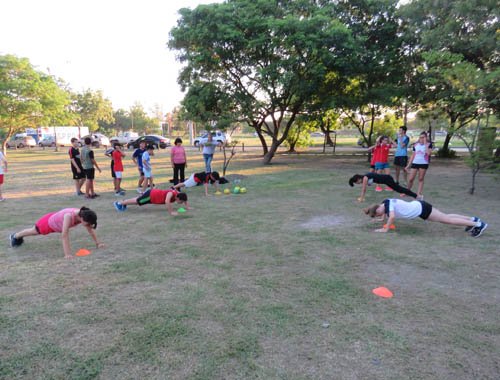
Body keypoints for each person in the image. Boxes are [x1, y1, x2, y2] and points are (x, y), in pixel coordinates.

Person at [9, 207, 104, 258]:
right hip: (48, 224)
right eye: (88, 223)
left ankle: (16, 236)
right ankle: (15, 236)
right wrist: (67, 254)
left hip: (56, 223)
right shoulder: (69, 216)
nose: (88, 225)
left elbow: (90, 229)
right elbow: (64, 235)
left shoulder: (84, 215)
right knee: (33, 231)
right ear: (82, 218)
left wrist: (98, 243)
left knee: (33, 231)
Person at [363, 198, 488, 237]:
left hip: (421, 209)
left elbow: (392, 217)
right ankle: (472, 220)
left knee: (447, 220)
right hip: (420, 208)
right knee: (445, 216)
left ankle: (479, 225)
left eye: (379, 214)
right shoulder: (385, 202)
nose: (381, 215)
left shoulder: (389, 205)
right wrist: (380, 220)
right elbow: (387, 214)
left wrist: (386, 229)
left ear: (378, 209)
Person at [114, 188, 191, 216]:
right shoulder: (172, 194)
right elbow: (167, 201)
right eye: (181, 202)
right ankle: (119, 203)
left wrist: (187, 207)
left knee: (138, 200)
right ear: (178, 198)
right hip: (152, 195)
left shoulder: (178, 194)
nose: (181, 203)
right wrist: (171, 211)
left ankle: (124, 202)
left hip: (153, 195)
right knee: (138, 201)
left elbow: (185, 198)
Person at [349, 173, 418, 202]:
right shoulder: (366, 177)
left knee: (400, 189)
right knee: (400, 190)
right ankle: (416, 195)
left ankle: (416, 196)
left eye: (357, 182)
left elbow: (364, 190)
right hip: (386, 180)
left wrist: (361, 199)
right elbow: (373, 179)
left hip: (387, 179)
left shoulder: (365, 178)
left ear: (358, 179)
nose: (358, 183)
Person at [405, 131, 433, 199]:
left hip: (423, 163)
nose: (421, 139)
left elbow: (428, 153)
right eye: (420, 137)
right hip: (415, 163)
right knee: (411, 179)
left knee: (420, 178)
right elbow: (413, 155)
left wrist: (425, 144)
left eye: (423, 138)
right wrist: (408, 165)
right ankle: (407, 191)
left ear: (426, 138)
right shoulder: (415, 145)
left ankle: (419, 194)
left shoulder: (429, 144)